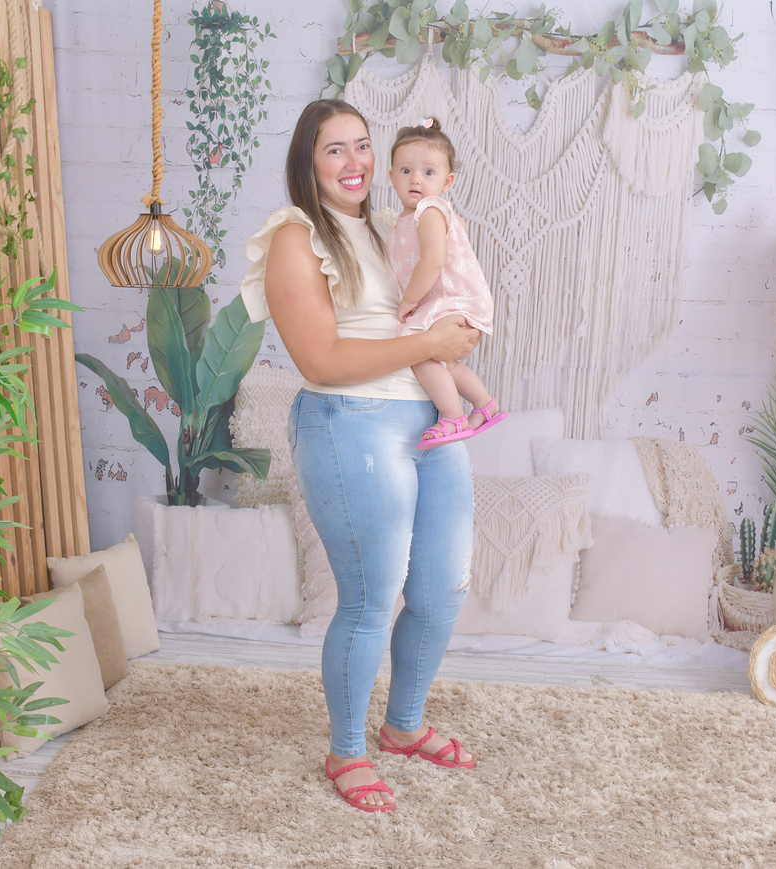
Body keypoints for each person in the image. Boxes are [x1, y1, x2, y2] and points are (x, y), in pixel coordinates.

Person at [238, 99, 481, 814]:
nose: (355, 163)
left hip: (429, 418)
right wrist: (431, 344)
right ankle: (347, 750)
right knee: (372, 598)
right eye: (335, 149)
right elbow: (320, 358)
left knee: (441, 591)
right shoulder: (296, 236)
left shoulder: (392, 224)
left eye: (363, 145)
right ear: (308, 162)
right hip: (353, 421)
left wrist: (458, 331)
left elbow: (433, 303)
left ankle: (404, 726)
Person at [388, 117, 505, 448]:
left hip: (455, 298)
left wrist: (409, 301)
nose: (416, 179)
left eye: (429, 172)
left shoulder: (429, 210)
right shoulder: (409, 218)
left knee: (418, 351)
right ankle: (485, 405)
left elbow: (433, 261)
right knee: (444, 361)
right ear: (391, 176)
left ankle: (453, 417)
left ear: (447, 181)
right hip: (450, 299)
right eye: (406, 170)